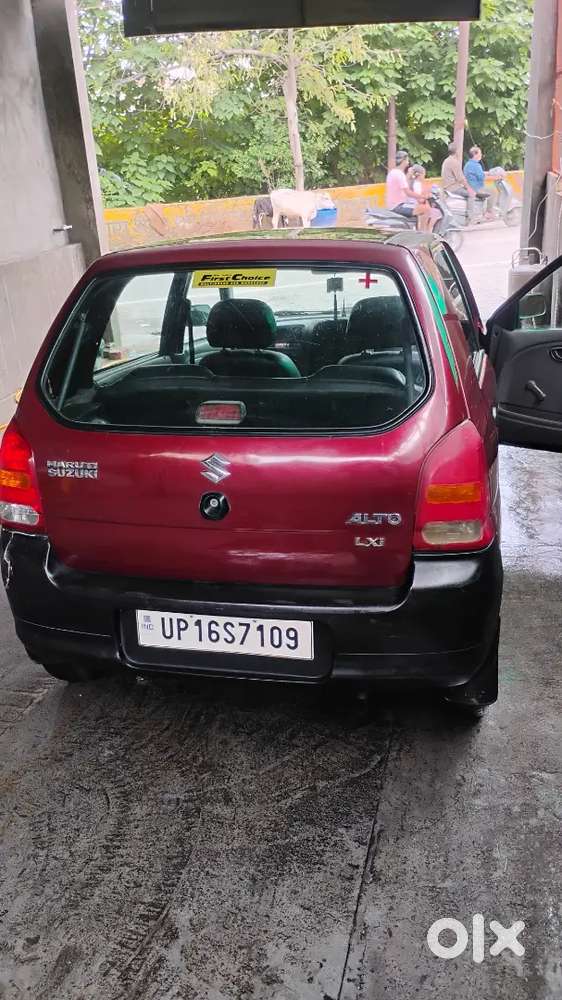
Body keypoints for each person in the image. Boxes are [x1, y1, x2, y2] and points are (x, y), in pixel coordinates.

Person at [386, 150, 433, 232]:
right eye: (407, 160)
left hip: (395, 204)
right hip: (398, 206)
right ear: (403, 160)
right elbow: (408, 192)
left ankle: (418, 231)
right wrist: (423, 196)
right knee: (426, 209)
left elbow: (405, 185)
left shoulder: (393, 172)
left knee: (420, 208)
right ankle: (422, 234)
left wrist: (409, 174)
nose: (408, 163)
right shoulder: (399, 174)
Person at [441, 142, 476, 220]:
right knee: (472, 194)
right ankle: (471, 217)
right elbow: (461, 178)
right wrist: (469, 188)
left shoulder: (446, 161)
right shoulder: (454, 162)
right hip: (453, 188)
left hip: (448, 187)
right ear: (457, 151)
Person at [463, 146, 499, 219]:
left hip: (471, 186)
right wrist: (497, 177)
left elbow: (480, 173)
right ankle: (489, 212)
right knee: (493, 191)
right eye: (480, 153)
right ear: (475, 155)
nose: (481, 155)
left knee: (490, 189)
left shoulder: (468, 164)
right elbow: (482, 177)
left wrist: (489, 173)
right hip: (477, 188)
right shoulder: (476, 165)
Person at [408, 164, 440, 232]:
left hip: (413, 204)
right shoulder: (417, 184)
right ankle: (427, 231)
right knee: (436, 212)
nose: (424, 177)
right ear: (419, 175)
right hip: (416, 205)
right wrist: (428, 196)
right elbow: (419, 199)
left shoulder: (413, 183)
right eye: (423, 175)